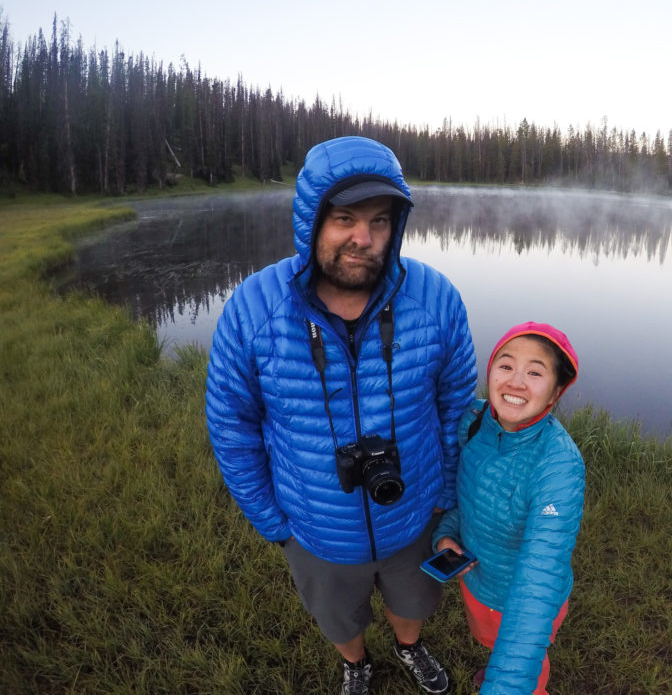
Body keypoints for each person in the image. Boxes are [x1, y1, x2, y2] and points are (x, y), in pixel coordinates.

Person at [205, 135, 477, 695]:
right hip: (315, 529)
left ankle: (409, 645)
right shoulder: (254, 310)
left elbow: (456, 408)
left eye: (380, 221)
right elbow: (233, 429)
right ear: (311, 221)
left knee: (415, 598)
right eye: (345, 218)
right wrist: (276, 525)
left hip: (414, 515)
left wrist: (447, 498)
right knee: (337, 616)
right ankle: (356, 663)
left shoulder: (437, 299)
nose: (364, 238)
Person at [433, 322, 585, 695]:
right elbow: (467, 501)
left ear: (555, 392)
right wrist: (445, 535)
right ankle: (496, 664)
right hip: (479, 583)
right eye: (506, 365)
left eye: (535, 372)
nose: (516, 382)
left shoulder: (558, 467)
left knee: (524, 659)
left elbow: (538, 584)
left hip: (519, 598)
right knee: (494, 643)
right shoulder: (474, 423)